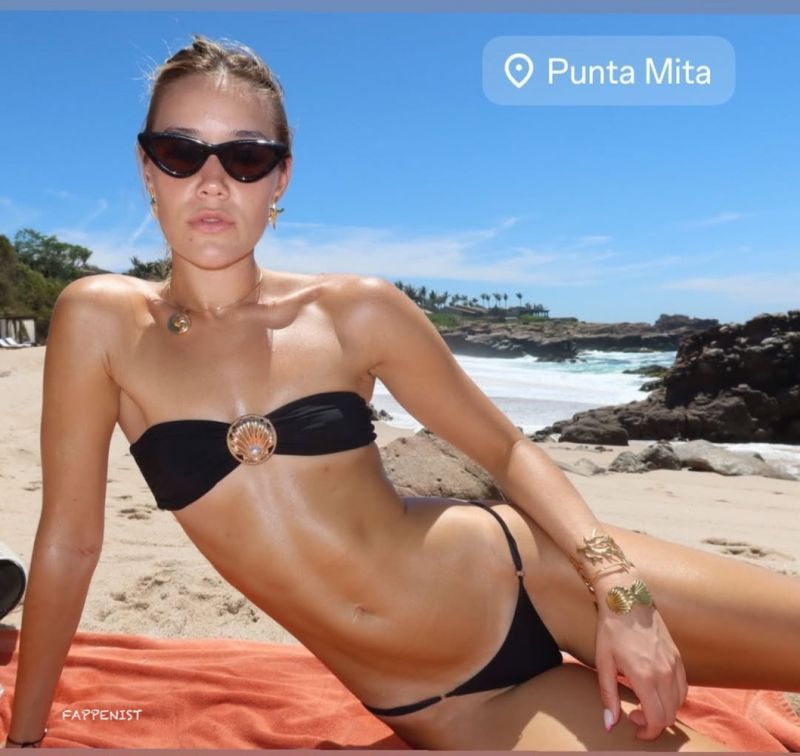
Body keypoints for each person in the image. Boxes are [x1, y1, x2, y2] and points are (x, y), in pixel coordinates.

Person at [4, 34, 799, 751]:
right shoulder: (101, 322)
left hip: (535, 571)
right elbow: (72, 542)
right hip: (455, 705)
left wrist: (620, 589)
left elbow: (505, 449)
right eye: (182, 153)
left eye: (244, 157)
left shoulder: (356, 310)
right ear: (147, 168)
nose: (212, 183)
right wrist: (28, 738)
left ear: (280, 177)